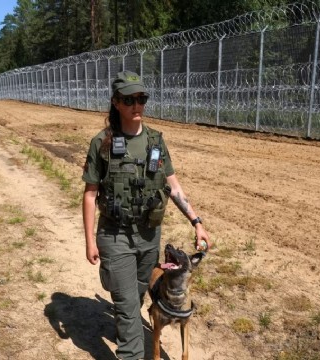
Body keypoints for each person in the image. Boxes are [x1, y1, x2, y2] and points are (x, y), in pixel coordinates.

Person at [82, 70, 212, 360]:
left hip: (149, 237)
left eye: (141, 98)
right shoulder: (102, 143)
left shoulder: (155, 141)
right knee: (129, 308)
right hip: (114, 235)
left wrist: (196, 221)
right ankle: (131, 348)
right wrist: (90, 241)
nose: (136, 105)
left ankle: (121, 304)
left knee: (139, 294)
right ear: (116, 102)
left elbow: (173, 186)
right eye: (129, 99)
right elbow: (90, 194)